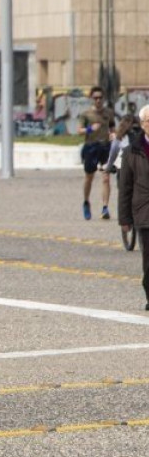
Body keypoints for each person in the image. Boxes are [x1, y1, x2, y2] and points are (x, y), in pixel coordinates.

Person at [117, 105, 149, 311]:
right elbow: (125, 189)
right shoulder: (131, 152)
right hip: (145, 212)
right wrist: (124, 219)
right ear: (143, 124)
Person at [79, 86, 115, 220]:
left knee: (106, 177)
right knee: (89, 177)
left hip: (105, 146)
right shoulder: (86, 114)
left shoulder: (108, 113)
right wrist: (89, 129)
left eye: (100, 98)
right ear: (92, 99)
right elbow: (79, 130)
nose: (98, 100)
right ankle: (86, 202)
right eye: (96, 98)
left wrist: (113, 134)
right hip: (91, 147)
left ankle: (105, 208)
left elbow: (112, 126)